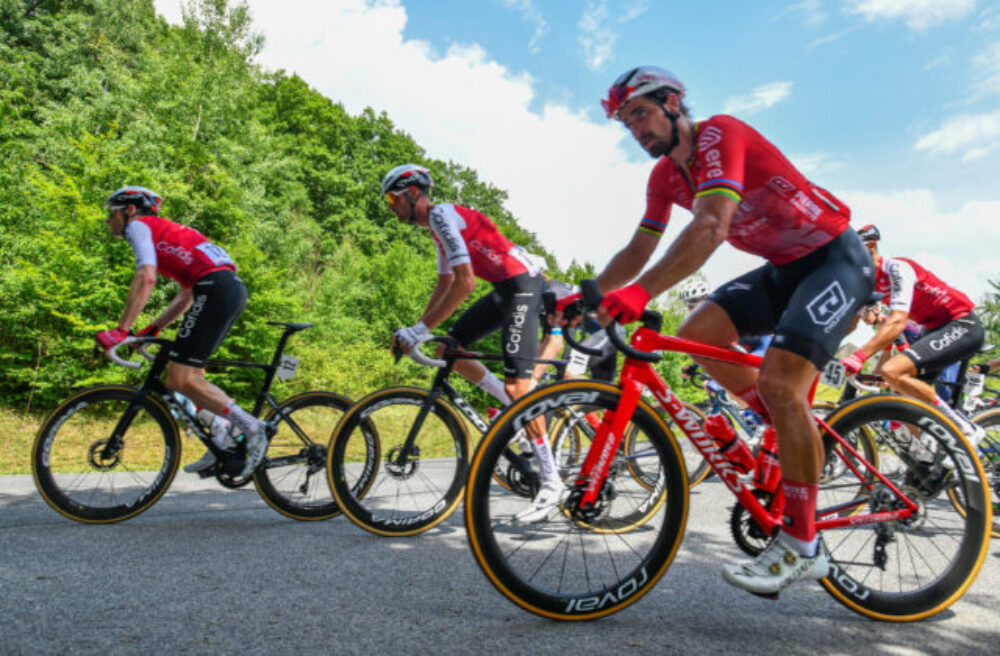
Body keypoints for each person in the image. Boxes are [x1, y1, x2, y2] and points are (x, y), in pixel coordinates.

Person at [564, 66, 874, 595]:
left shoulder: (720, 134)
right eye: (626, 122)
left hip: (834, 259)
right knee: (696, 335)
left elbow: (711, 226)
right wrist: (589, 294)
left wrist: (640, 293)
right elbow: (639, 250)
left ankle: (802, 546)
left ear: (672, 103)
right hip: (781, 271)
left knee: (780, 384)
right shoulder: (663, 177)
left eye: (640, 113)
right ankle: (785, 431)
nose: (636, 129)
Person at [380, 164, 560, 522]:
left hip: (524, 286)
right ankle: (512, 412)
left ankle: (553, 483)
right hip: (504, 289)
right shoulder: (437, 231)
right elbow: (444, 285)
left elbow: (465, 284)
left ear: (413, 192)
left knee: (518, 386)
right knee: (450, 350)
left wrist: (416, 332)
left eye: (392, 198)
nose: (390, 207)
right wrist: (418, 327)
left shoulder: (443, 217)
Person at [96, 186, 266, 477]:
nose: (108, 219)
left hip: (215, 289)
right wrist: (154, 328)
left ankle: (252, 427)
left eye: (112, 212)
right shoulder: (165, 232)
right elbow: (185, 296)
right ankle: (222, 438)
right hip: (223, 289)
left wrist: (122, 330)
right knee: (188, 378)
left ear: (130, 210)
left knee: (178, 377)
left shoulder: (139, 226)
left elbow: (146, 276)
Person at [841, 225, 985, 438]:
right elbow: (849, 323)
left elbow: (898, 321)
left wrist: (859, 356)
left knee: (892, 371)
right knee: (904, 400)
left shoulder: (897, 268)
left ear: (871, 246)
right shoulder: (867, 283)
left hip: (961, 323)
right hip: (933, 328)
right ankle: (926, 460)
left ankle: (964, 429)